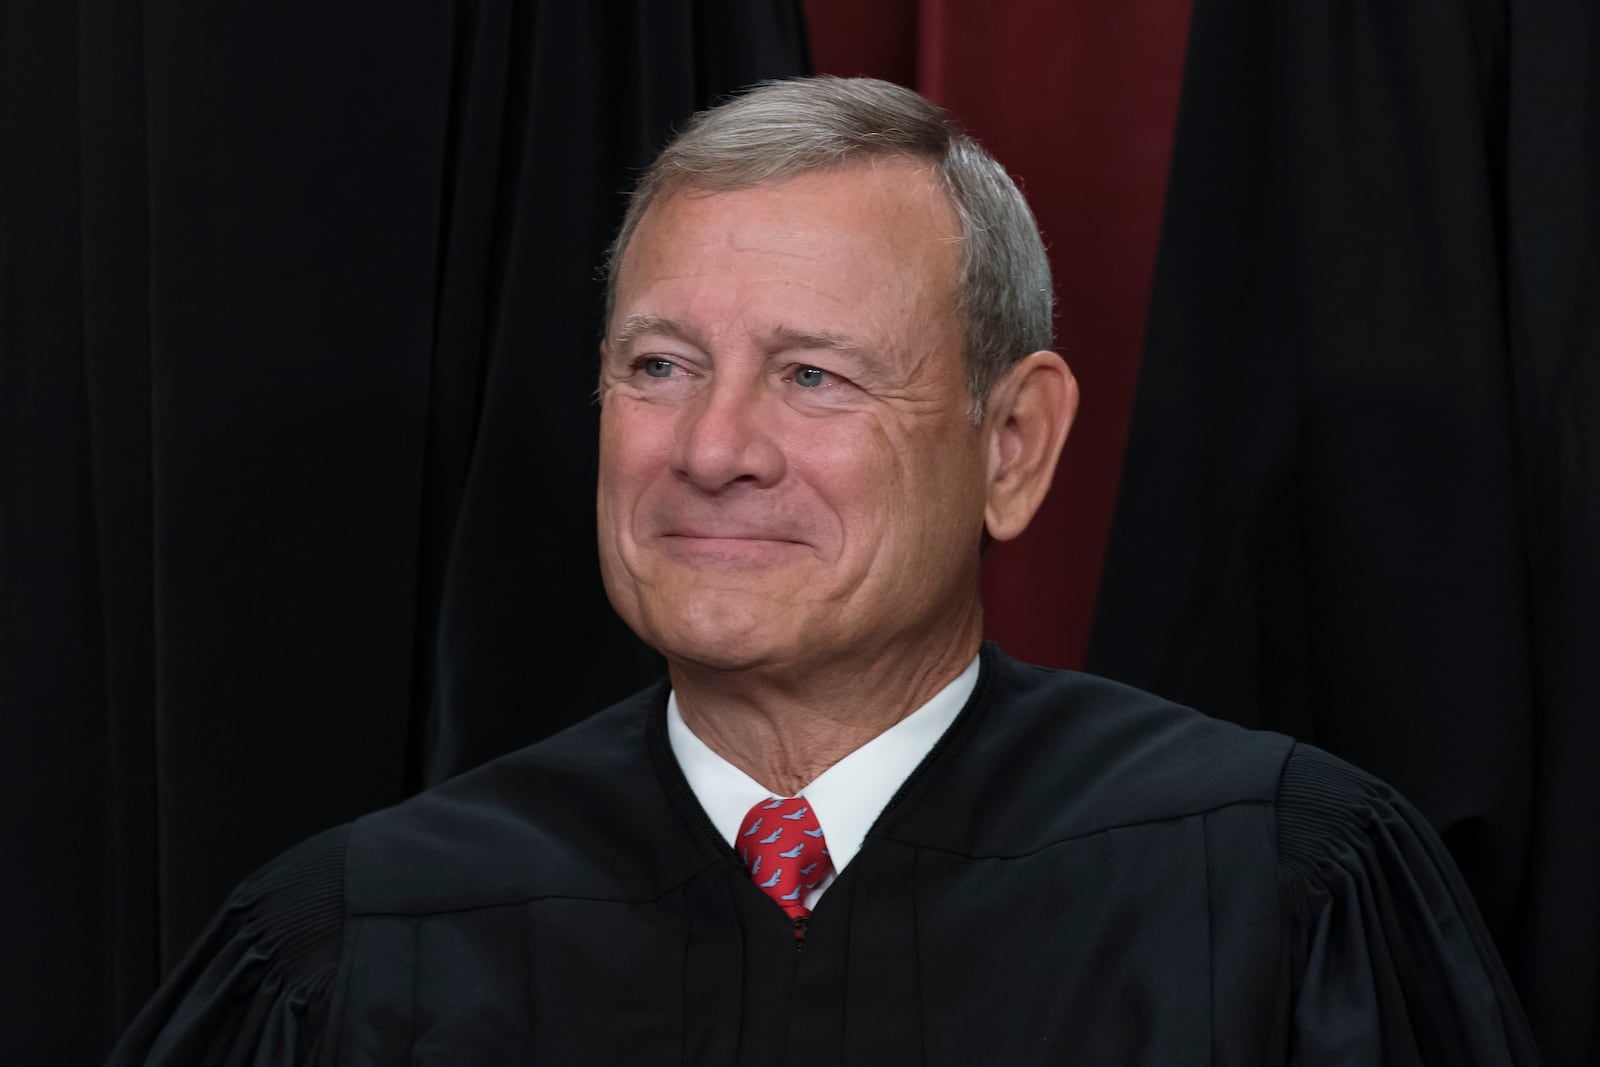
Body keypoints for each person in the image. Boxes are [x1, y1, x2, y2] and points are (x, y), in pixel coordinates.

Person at [109, 76, 1541, 1065]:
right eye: (660, 366)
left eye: (814, 375)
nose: (714, 448)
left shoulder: (1271, 890)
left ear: (1015, 444)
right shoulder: (362, 944)